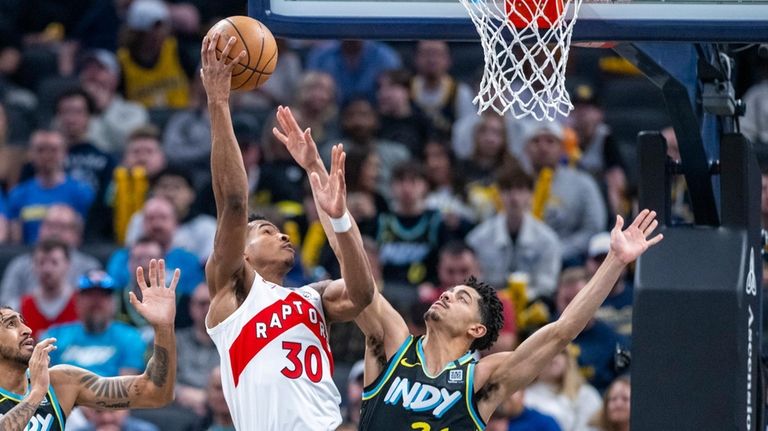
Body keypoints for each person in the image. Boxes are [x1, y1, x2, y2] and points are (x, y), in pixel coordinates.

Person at [200, 33, 376, 430]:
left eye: (280, 230)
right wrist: (219, 102)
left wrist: (339, 218)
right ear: (241, 252)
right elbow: (233, 202)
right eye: (266, 230)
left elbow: (363, 294)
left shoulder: (313, 296)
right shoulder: (234, 290)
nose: (283, 236)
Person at [355, 209, 661, 429]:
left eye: (462, 297)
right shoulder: (396, 347)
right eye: (448, 291)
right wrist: (339, 216)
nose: (446, 295)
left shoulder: (482, 378)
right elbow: (361, 286)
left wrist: (615, 261)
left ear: (477, 328)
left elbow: (561, 332)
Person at [0, 258, 178, 430]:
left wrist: (163, 327)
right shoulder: (42, 386)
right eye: (10, 324)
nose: (26, 329)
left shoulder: (61, 382)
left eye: (23, 321)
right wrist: (36, 394)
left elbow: (156, 393)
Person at [466, 167, 561, 297]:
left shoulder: (547, 239)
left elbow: (547, 284)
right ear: (498, 195)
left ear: (531, 195)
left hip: (534, 304)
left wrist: (518, 298)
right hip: (489, 306)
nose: (514, 197)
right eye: (507, 190)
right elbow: (474, 281)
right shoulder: (477, 238)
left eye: (520, 190)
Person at [43, 270, 146, 377]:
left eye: (103, 295)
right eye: (90, 295)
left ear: (113, 302)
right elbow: (43, 381)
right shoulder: (55, 336)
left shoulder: (130, 337)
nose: (96, 301)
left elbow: (126, 387)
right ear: (77, 301)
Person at [0, 204, 101, 310]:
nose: (55, 232)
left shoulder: (89, 267)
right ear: (40, 229)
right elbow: (5, 307)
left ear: (77, 234)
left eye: (63, 227)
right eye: (50, 226)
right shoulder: (19, 265)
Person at [8, 130, 95, 244]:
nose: (47, 156)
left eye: (53, 150)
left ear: (65, 153)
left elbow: (85, 237)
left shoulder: (82, 193)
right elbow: (15, 242)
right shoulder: (18, 194)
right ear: (30, 154)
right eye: (41, 150)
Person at [554, 267, 630, 393]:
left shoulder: (617, 341)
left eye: (578, 299)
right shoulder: (542, 337)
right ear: (556, 300)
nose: (572, 307)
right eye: (567, 300)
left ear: (594, 300)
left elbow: (626, 380)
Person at [523, 346, 602, 431]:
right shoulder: (523, 396)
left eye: (560, 352)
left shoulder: (586, 394)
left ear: (568, 359)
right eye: (547, 353)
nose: (554, 358)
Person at [175, 283, 219, 417]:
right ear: (191, 307)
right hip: (180, 407)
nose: (207, 309)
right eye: (202, 303)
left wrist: (208, 399)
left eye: (212, 303)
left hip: (222, 408)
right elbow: (161, 382)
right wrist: (180, 393)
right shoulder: (175, 341)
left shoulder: (231, 343)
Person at [20, 239, 80, 339]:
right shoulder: (23, 307)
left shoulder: (80, 304)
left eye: (54, 262)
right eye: (41, 262)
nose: (47, 269)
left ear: (67, 264)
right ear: (33, 266)